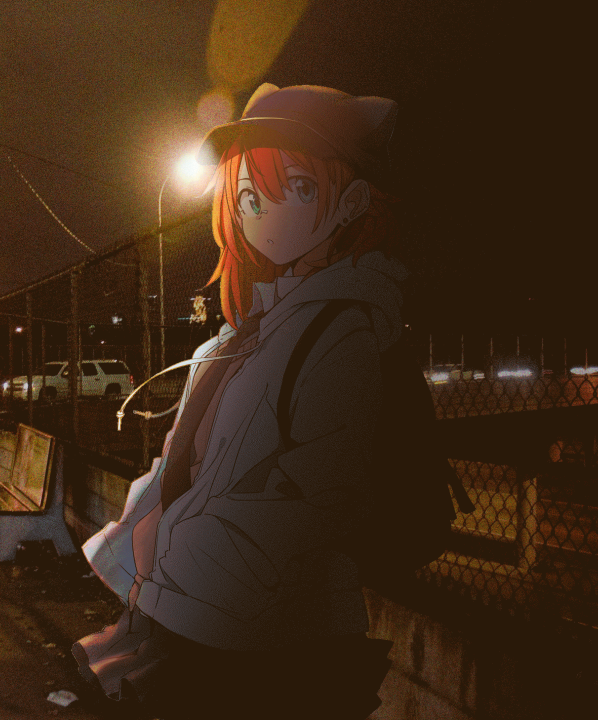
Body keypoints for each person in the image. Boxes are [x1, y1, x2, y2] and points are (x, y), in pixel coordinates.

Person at [73, 83, 406, 719]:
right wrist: (149, 554)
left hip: (275, 636)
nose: (267, 214)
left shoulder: (343, 331)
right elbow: (188, 463)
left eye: (299, 188)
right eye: (251, 197)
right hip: (208, 615)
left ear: (353, 202)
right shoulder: (244, 334)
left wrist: (178, 553)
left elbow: (318, 498)